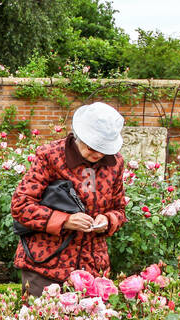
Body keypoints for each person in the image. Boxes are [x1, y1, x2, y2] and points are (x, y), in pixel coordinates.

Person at [10, 101, 127, 297]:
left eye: (103, 149)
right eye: (92, 147)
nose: (98, 154)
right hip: (46, 266)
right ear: (79, 137)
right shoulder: (50, 155)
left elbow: (120, 210)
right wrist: (65, 220)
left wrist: (108, 220)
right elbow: (21, 205)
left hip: (92, 271)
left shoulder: (115, 163)